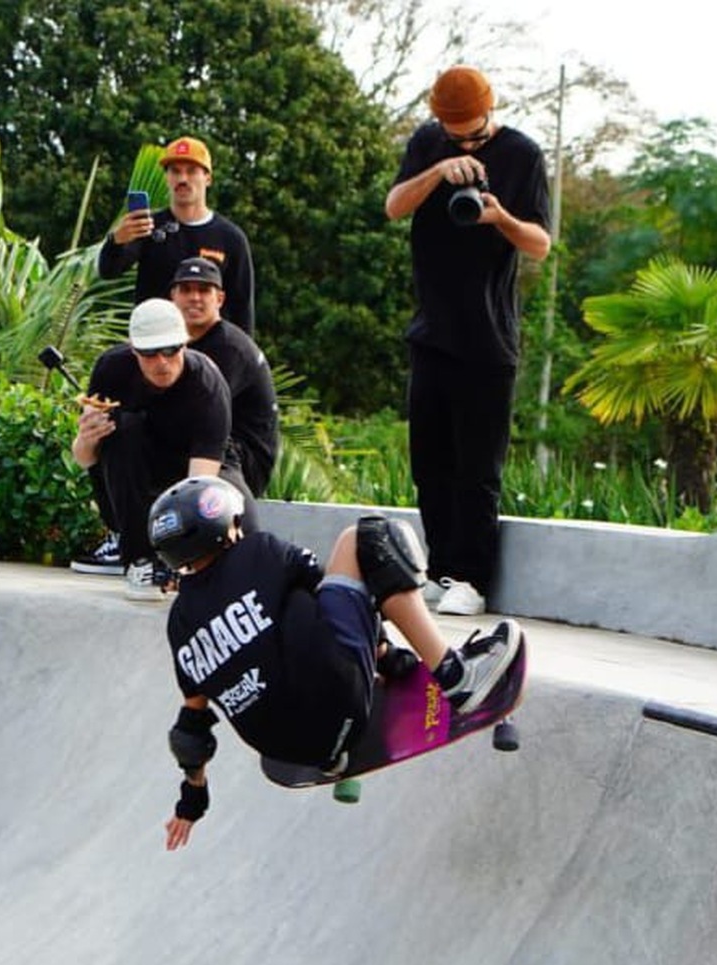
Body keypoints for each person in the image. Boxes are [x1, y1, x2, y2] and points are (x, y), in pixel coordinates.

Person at [147, 475, 524, 850]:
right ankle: (458, 677)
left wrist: (191, 800)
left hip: (290, 751)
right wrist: (387, 654)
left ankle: (336, 754)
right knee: (367, 539)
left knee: (280, 628)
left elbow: (190, 732)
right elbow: (337, 594)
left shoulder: (179, 626)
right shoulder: (259, 551)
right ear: (229, 526)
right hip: (339, 696)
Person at [385, 65, 551, 616]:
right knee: (429, 462)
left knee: (477, 467)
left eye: (471, 132)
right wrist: (439, 169)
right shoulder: (428, 143)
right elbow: (394, 206)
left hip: (488, 336)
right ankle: (438, 569)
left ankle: (471, 579)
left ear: (490, 112)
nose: (462, 138)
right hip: (431, 330)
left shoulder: (522, 154)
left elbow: (540, 244)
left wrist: (499, 214)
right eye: (452, 130)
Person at [70, 298, 256, 601]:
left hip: (197, 463)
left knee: (239, 525)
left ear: (185, 344)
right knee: (120, 430)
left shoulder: (207, 386)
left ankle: (185, 566)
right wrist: (85, 439)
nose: (162, 362)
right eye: (149, 353)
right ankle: (137, 559)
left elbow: (199, 487)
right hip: (143, 459)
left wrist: (181, 561)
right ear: (133, 350)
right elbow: (84, 460)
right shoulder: (111, 370)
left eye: (171, 350)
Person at [97, 136, 255, 334]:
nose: (182, 179)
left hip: (210, 352)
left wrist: (242, 357)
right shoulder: (148, 227)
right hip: (155, 346)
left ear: (208, 178)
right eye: (175, 171)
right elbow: (108, 271)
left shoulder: (231, 238)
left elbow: (242, 308)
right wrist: (116, 241)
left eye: (191, 171)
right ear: (167, 178)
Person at [170, 256, 279, 498]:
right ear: (173, 297)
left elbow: (200, 415)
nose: (194, 298)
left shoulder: (229, 348)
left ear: (219, 299)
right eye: (186, 290)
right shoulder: (174, 347)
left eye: (204, 290)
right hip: (211, 449)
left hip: (241, 464)